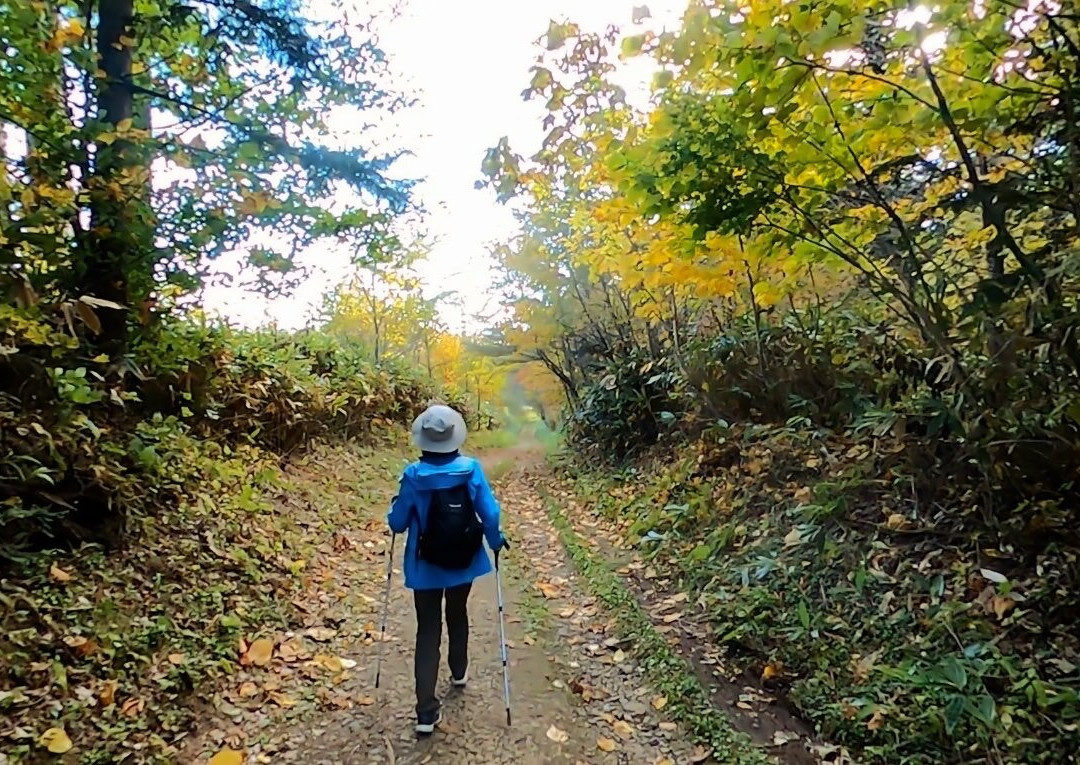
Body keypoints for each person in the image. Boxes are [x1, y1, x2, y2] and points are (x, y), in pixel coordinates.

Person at [386, 404, 508, 735]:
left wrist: (393, 509)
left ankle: (426, 712)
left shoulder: (412, 475)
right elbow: (491, 514)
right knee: (457, 612)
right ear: (455, 436)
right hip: (463, 559)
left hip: (425, 564)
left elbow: (397, 524)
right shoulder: (471, 469)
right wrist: (495, 541)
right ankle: (459, 671)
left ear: (423, 440)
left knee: (427, 628)